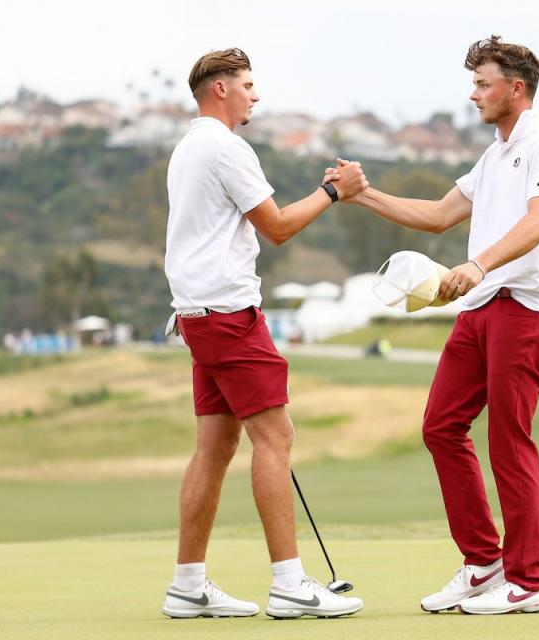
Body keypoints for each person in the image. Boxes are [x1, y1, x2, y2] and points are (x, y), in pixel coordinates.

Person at [327, 35, 539, 615]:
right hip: (481, 309)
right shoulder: (492, 155)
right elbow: (437, 216)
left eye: (483, 83)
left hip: (525, 306)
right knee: (441, 427)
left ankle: (531, 583)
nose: (474, 94)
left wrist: (479, 262)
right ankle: (484, 565)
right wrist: (362, 196)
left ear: (516, 87)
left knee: (509, 443)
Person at [161, 47, 367, 620]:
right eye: (247, 85)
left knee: (216, 446)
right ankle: (290, 585)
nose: (255, 94)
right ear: (220, 89)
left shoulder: (188, 146)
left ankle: (187, 585)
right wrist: (333, 192)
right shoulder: (227, 148)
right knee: (274, 438)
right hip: (229, 315)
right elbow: (276, 227)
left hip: (199, 314)